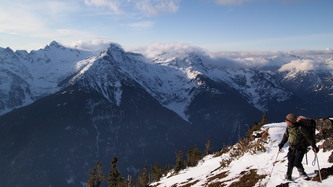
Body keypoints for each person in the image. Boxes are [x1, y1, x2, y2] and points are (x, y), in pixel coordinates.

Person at [278, 113, 319, 181]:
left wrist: (314, 146)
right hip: (292, 147)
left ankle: (302, 173)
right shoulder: (288, 128)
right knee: (290, 162)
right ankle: (288, 175)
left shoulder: (301, 128)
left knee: (297, 162)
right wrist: (281, 144)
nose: (285, 121)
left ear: (291, 121)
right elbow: (286, 136)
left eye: (287, 120)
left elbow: (309, 138)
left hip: (301, 147)